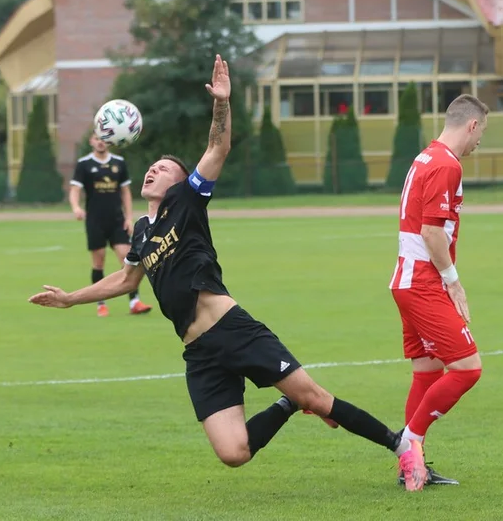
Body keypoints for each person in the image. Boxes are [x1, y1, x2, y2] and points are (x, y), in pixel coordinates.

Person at [32, 55, 423, 488]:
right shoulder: (142, 231)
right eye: (151, 166)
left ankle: (401, 447)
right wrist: (70, 298)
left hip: (233, 330)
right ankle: (287, 406)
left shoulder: (187, 202)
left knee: (317, 395)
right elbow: (125, 280)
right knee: (233, 453)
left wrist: (222, 103)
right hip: (199, 353)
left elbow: (218, 147)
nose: (152, 170)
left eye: (163, 169)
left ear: (181, 183)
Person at [390, 93, 489, 490]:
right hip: (424, 283)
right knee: (468, 368)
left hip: (406, 280)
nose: (480, 142)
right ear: (472, 125)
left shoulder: (425, 156)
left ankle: (412, 465)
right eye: (482, 133)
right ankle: (408, 445)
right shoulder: (448, 164)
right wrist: (453, 280)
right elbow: (431, 231)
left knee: (427, 373)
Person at [69, 132, 152, 317]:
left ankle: (135, 302)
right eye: (97, 139)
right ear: (91, 141)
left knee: (127, 260)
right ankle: (100, 304)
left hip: (117, 220)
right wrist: (75, 207)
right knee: (98, 262)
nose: (100, 142)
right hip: (95, 221)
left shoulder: (118, 163)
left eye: (103, 140)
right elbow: (75, 189)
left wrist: (129, 217)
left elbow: (125, 192)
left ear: (109, 142)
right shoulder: (84, 164)